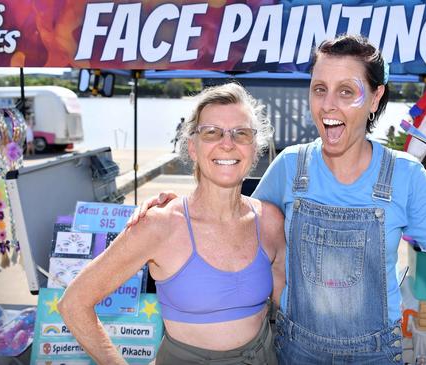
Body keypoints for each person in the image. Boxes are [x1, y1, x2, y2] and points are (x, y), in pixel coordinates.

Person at [131, 34, 426, 364]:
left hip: (376, 352)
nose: (328, 105)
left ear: (374, 98)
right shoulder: (290, 166)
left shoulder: (405, 175)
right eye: (319, 89)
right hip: (296, 349)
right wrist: (180, 207)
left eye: (346, 91)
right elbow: (237, 218)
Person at [59, 83, 286, 365]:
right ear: (192, 147)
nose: (227, 143)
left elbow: (290, 308)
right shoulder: (159, 225)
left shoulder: (270, 222)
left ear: (254, 149)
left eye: (241, 133)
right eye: (212, 132)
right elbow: (74, 303)